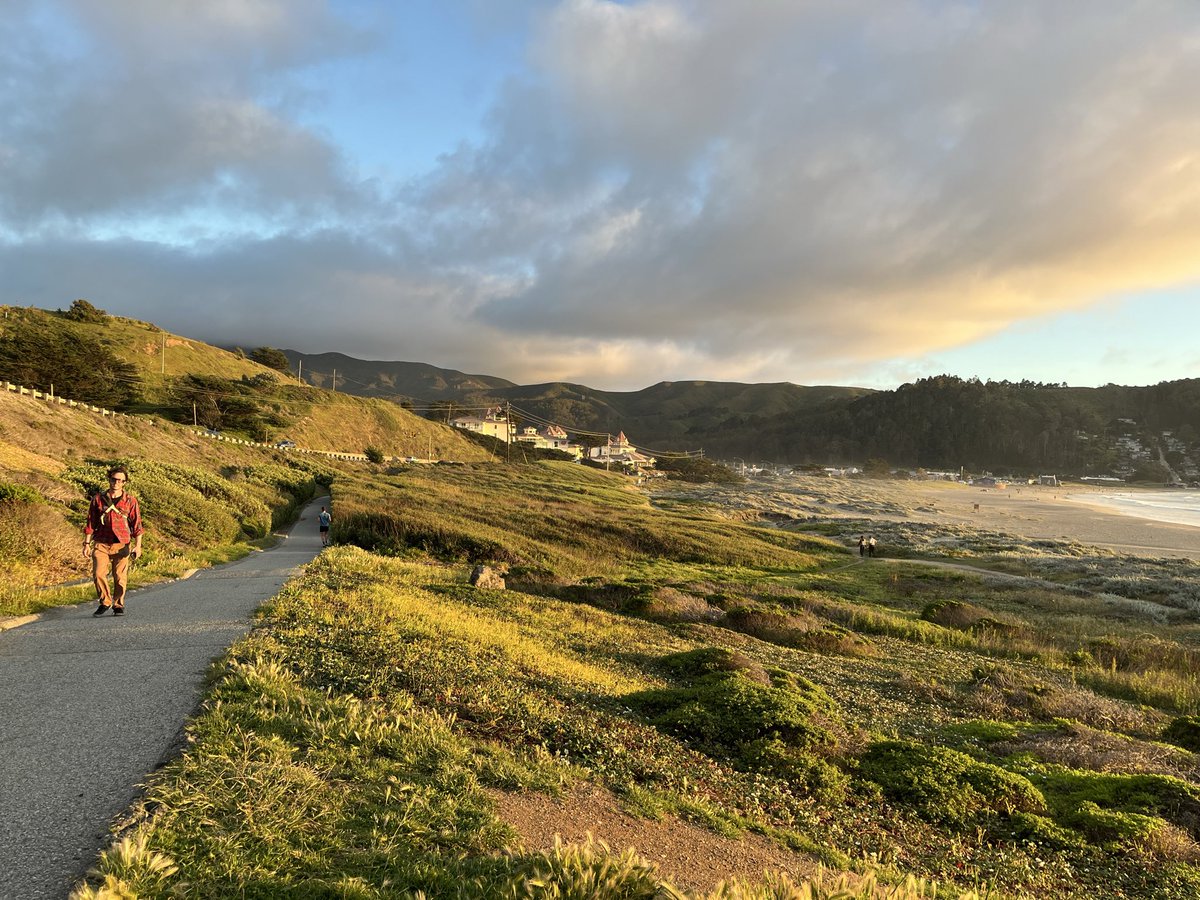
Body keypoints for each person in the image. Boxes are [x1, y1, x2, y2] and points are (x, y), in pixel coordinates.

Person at [82, 465, 144, 617]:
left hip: (122, 543)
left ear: (124, 483)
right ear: (109, 479)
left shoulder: (130, 501)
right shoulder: (98, 499)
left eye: (120, 480)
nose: (116, 483)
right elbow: (91, 522)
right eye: (113, 479)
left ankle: (118, 604)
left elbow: (137, 525)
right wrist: (86, 544)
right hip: (101, 542)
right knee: (98, 574)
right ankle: (105, 602)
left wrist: (138, 546)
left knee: (119, 576)